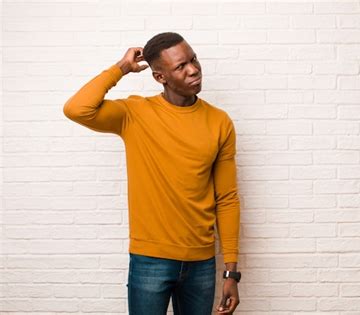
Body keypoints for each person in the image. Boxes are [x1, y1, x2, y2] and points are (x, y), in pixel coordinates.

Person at [63, 32, 241, 315]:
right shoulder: (134, 113)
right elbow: (76, 109)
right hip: (150, 260)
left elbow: (227, 198)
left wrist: (231, 272)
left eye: (193, 59)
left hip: (202, 262)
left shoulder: (219, 122)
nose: (193, 69)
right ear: (160, 77)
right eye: (181, 66)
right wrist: (120, 69)